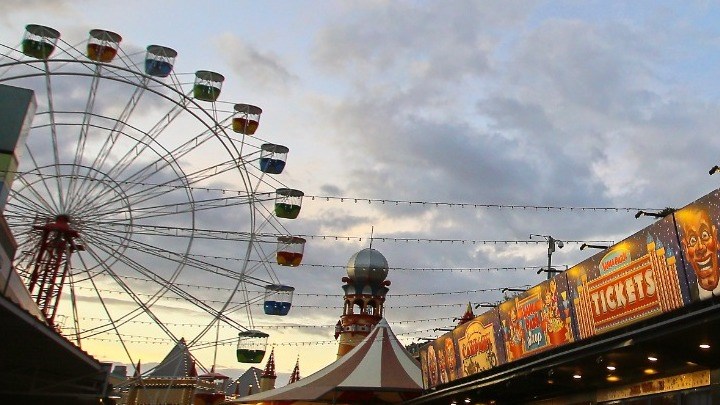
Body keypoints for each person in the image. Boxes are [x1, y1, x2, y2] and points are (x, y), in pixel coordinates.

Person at [677, 204, 720, 299]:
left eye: (705, 235)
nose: (700, 247)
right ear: (686, 249)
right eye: (692, 240)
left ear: (715, 238)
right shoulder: (689, 297)